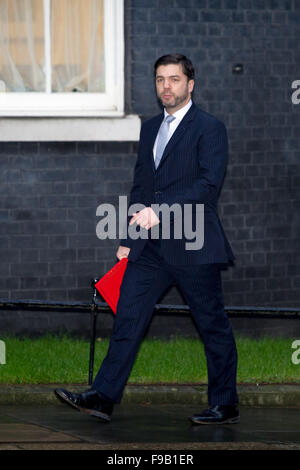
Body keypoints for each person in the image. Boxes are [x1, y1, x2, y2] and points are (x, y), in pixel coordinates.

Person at [54, 54, 239, 425]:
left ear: (191, 84)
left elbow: (207, 185)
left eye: (174, 79)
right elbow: (142, 185)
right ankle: (103, 396)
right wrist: (129, 236)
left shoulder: (210, 128)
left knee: (211, 324)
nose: (166, 86)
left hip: (194, 243)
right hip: (150, 246)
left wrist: (163, 211)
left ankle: (225, 403)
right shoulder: (150, 128)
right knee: (129, 316)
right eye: (159, 80)